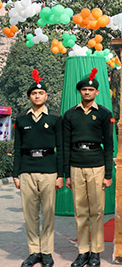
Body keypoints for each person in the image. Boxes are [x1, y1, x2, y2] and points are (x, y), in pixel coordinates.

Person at [63, 68, 114, 267]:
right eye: (84, 89)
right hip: (76, 165)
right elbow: (66, 145)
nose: (87, 92)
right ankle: (83, 251)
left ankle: (96, 251)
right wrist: (66, 174)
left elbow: (108, 145)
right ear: (80, 92)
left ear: (97, 92)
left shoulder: (103, 114)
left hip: (97, 165)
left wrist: (108, 174)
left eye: (90, 90)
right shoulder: (70, 115)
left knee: (97, 211)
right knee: (80, 211)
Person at [13, 69, 63, 267]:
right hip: (26, 170)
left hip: (49, 170)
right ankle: (34, 251)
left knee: (48, 213)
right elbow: (17, 148)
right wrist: (16, 174)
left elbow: (61, 147)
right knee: (30, 214)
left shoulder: (54, 118)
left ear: (46, 96)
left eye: (40, 93)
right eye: (34, 93)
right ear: (29, 97)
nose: (37, 96)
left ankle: (47, 252)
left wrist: (61, 175)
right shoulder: (21, 119)